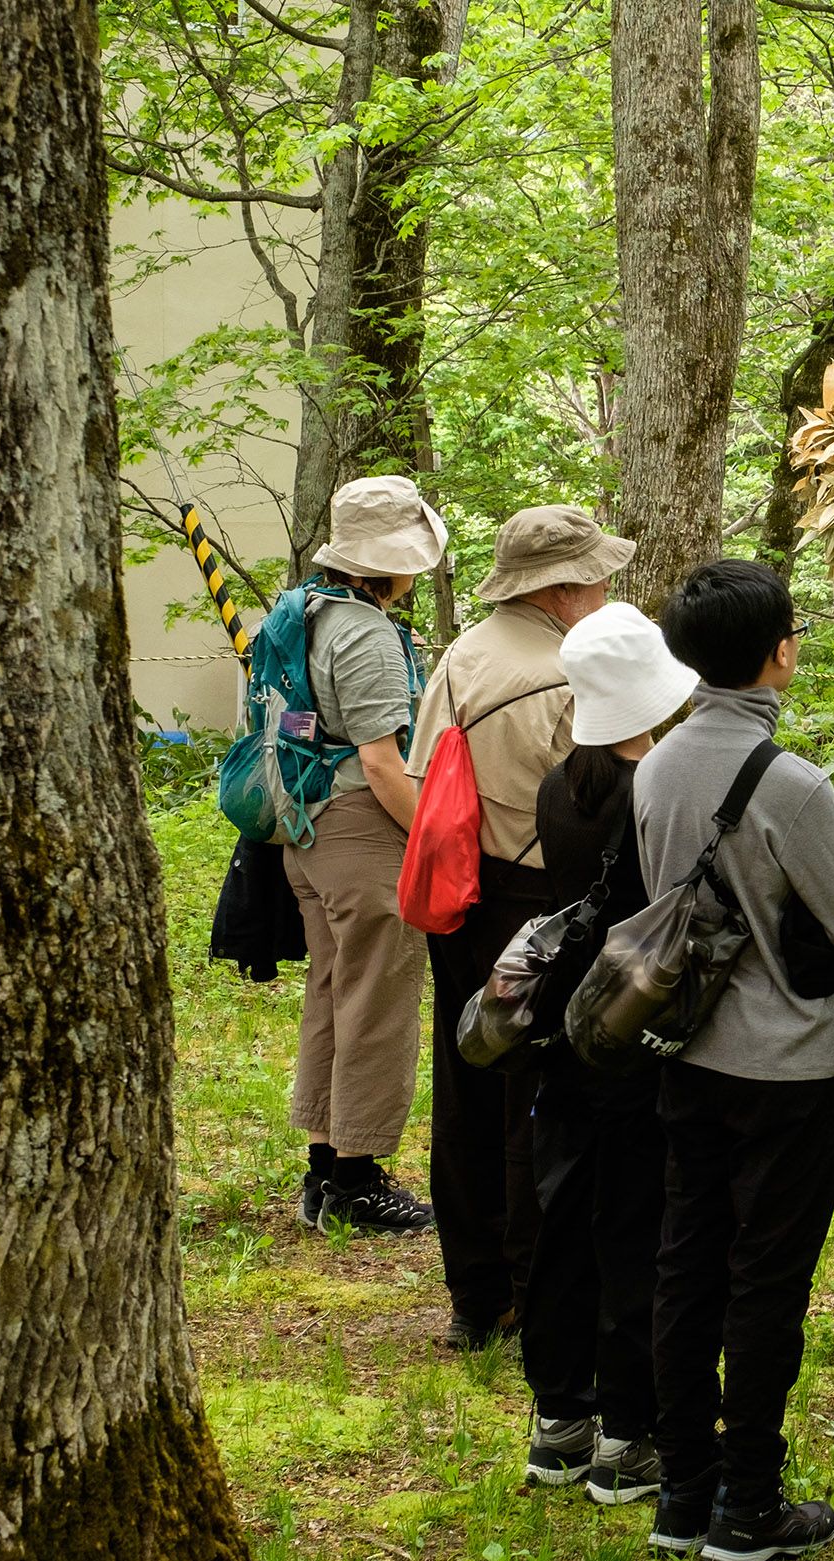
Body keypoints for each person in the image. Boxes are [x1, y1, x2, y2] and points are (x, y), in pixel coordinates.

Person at [634, 559, 834, 1561]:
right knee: (766, 1284)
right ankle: (750, 1504)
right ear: (780, 651)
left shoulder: (653, 766)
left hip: (685, 1053)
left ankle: (683, 1489)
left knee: (686, 1267)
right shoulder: (792, 783)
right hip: (785, 1070)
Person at [408, 503, 635, 1351]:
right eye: (599, 574)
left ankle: (475, 1291)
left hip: (463, 889)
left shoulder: (463, 653)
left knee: (467, 1079)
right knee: (533, 1098)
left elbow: (421, 771)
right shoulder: (567, 671)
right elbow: (598, 798)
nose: (607, 585)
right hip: (538, 900)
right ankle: (533, 1284)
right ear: (565, 588)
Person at [518, 603, 698, 1506]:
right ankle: (631, 1432)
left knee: (563, 1219)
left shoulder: (561, 786)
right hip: (633, 1033)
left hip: (561, 1030)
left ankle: (560, 1419)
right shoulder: (656, 789)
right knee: (635, 1227)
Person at [285, 476, 442, 1236]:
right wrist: (432, 843)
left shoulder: (307, 611)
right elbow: (383, 762)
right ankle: (358, 1178)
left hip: (306, 828)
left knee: (333, 992)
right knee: (378, 1002)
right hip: (360, 827)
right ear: (391, 561)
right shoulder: (368, 633)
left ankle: (323, 1168)